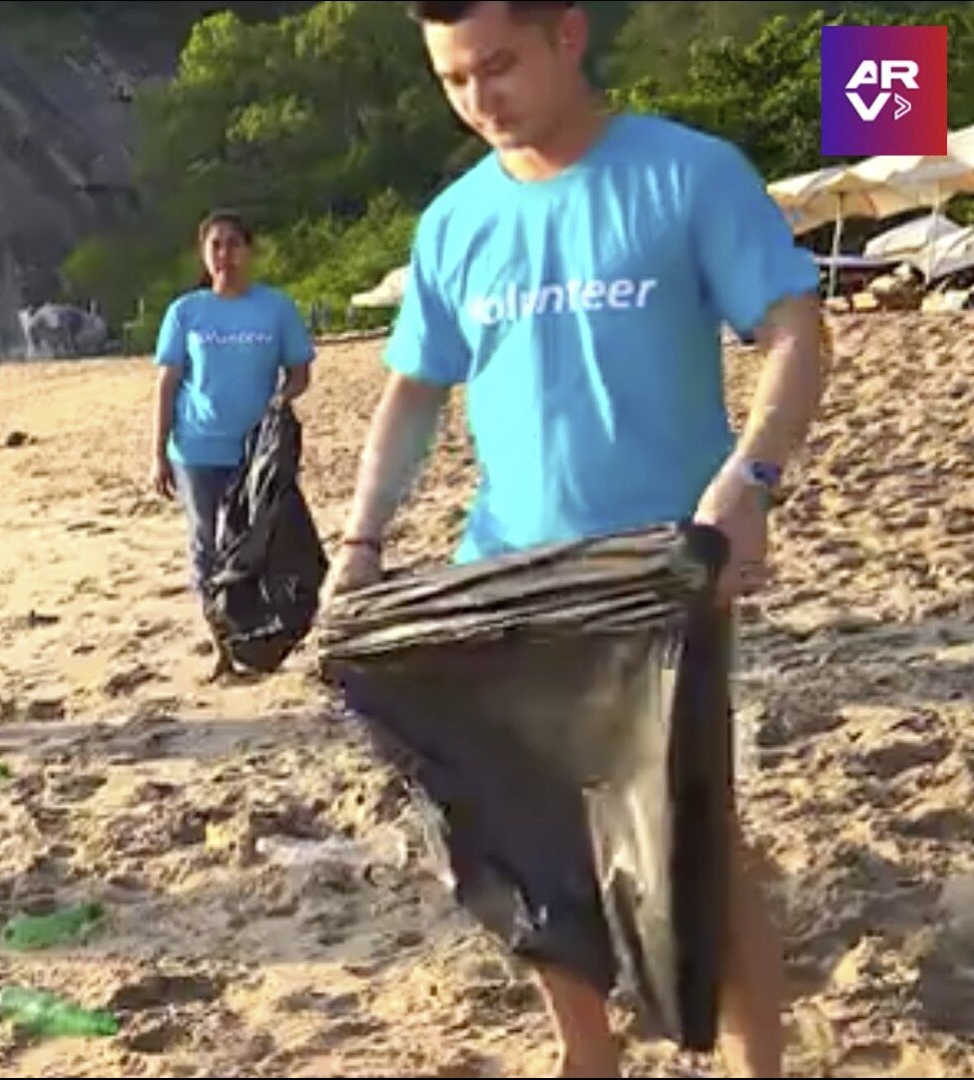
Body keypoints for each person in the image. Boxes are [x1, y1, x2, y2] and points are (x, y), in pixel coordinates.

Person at [328, 2, 828, 1075]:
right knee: (532, 841)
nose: (480, 100)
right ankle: (585, 1053)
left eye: (497, 66)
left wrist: (751, 479)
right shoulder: (454, 222)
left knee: (697, 837)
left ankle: (758, 1066)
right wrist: (362, 541)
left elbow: (796, 331)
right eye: (454, 81)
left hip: (660, 573)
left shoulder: (687, 173)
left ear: (568, 33)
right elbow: (413, 396)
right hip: (504, 572)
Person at [148, 210, 316, 680]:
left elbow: (299, 372)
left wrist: (279, 402)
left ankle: (264, 634)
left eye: (233, 244)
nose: (225, 255)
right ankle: (222, 647)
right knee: (206, 547)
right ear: (205, 254)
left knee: (265, 541)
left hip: (258, 450)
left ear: (250, 250)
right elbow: (167, 383)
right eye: (215, 245)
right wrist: (157, 453)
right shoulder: (187, 312)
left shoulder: (276, 308)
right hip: (197, 448)